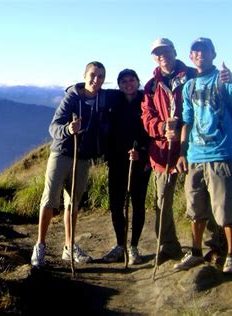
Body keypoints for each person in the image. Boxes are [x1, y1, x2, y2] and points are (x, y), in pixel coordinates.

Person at [141, 38, 232, 264]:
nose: (162, 55)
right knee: (184, 206)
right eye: (157, 52)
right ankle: (183, 249)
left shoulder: (207, 77)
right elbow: (163, 118)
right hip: (180, 153)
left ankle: (224, 252)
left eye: (166, 51)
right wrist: (169, 137)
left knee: (219, 205)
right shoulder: (162, 85)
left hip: (211, 151)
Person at [174, 38, 232, 274]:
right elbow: (187, 121)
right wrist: (182, 152)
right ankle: (195, 253)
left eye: (204, 51)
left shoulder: (222, 79)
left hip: (221, 154)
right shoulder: (189, 86)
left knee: (226, 209)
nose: (199, 54)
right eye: (195, 51)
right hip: (195, 156)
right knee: (196, 208)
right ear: (190, 56)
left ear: (213, 54)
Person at [31, 61, 109, 267]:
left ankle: (69, 246)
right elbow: (53, 127)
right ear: (84, 76)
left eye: (101, 76)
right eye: (93, 75)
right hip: (62, 153)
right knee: (49, 200)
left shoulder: (104, 98)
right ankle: (40, 246)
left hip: (83, 157)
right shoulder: (72, 97)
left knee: (73, 203)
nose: (96, 79)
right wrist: (68, 129)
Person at [103, 69, 151, 265]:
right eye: (124, 81)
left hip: (139, 162)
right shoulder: (114, 102)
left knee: (138, 204)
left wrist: (143, 153)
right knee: (116, 205)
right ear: (119, 85)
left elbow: (152, 133)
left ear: (138, 82)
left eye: (132, 80)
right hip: (116, 160)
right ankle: (120, 244)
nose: (128, 84)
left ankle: (133, 246)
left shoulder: (147, 102)